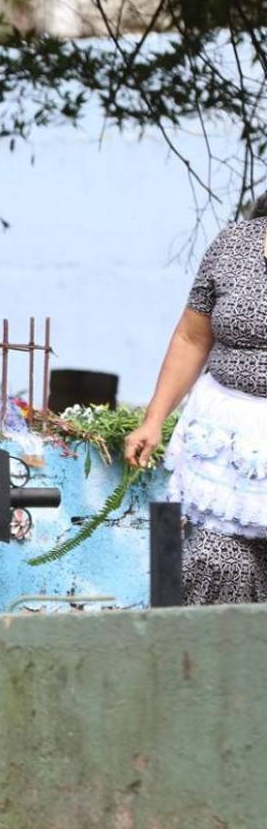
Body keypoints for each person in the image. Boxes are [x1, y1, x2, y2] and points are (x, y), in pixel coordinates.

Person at [126, 194, 267, 604]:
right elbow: (191, 338)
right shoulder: (233, 243)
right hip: (227, 443)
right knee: (215, 559)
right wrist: (154, 419)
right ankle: (207, 645)